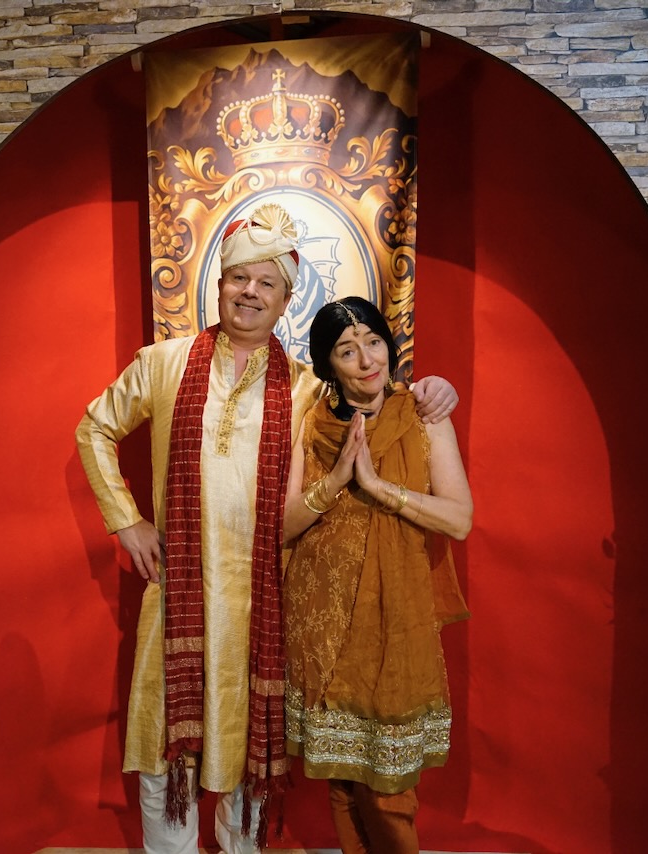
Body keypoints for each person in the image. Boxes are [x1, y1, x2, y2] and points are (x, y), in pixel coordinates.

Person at [75, 204, 457, 854]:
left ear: (285, 300)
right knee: (166, 759)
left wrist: (432, 389)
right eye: (239, 278)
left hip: (264, 605)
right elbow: (94, 428)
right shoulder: (163, 363)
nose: (250, 292)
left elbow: (371, 392)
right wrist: (127, 520)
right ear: (220, 283)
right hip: (179, 597)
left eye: (266, 283)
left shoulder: (306, 389)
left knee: (249, 758)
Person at [280, 296, 473, 854]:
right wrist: (336, 479)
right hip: (322, 621)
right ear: (327, 364)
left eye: (373, 342)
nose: (366, 360)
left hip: (394, 621)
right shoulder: (310, 422)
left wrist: (378, 487)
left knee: (388, 790)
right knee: (342, 779)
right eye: (347, 350)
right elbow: (283, 526)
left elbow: (459, 519)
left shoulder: (423, 415)